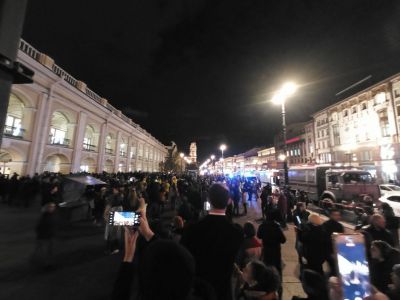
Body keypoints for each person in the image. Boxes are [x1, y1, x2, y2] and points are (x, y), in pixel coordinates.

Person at [181, 183, 244, 300]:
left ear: (208, 201)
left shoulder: (192, 230)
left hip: (198, 292)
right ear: (229, 201)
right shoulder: (237, 233)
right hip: (223, 293)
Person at [257, 210, 286, 277]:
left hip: (266, 249)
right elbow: (283, 240)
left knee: (266, 266)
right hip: (276, 250)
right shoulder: (277, 227)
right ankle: (278, 283)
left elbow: (259, 235)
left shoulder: (262, 226)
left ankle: (268, 282)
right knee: (277, 266)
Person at [31, 202, 57, 269]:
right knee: (45, 251)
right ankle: (46, 264)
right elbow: (39, 227)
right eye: (51, 207)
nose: (53, 208)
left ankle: (47, 263)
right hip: (45, 236)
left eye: (53, 207)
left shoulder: (48, 217)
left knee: (46, 251)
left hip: (46, 236)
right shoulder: (46, 217)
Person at [322, 209, 344, 276]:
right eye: (335, 215)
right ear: (331, 215)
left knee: (336, 269)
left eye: (338, 215)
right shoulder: (326, 225)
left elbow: (342, 238)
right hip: (329, 251)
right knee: (333, 269)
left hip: (337, 251)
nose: (337, 217)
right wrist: (331, 252)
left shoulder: (340, 226)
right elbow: (325, 239)